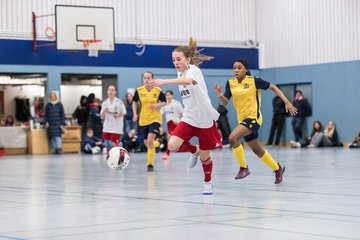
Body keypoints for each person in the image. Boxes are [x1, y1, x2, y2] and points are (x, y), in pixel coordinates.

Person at [149, 37, 222, 195]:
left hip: (205, 119)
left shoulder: (193, 69)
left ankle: (207, 182)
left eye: (179, 59)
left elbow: (188, 81)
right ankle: (194, 150)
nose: (176, 62)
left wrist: (163, 82)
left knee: (205, 157)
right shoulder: (179, 72)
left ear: (187, 59)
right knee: (172, 145)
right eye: (173, 59)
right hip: (189, 117)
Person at [214, 58, 297, 184]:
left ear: (245, 70)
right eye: (234, 67)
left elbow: (273, 87)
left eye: (239, 67)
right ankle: (278, 168)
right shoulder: (230, 83)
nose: (236, 70)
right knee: (257, 150)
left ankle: (243, 168)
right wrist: (220, 95)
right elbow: (225, 102)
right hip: (242, 120)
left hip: (254, 118)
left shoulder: (254, 81)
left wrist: (287, 102)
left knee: (232, 138)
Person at [133, 72, 167, 172]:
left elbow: (164, 102)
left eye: (148, 78)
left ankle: (150, 164)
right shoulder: (139, 91)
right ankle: (159, 143)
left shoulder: (157, 90)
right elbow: (134, 102)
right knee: (147, 144)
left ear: (152, 79)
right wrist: (135, 114)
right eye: (145, 78)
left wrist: (156, 105)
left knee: (150, 141)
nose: (147, 79)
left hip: (155, 119)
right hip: (143, 120)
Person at [100, 85, 127, 152]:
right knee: (107, 144)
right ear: (107, 92)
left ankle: (118, 153)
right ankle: (110, 158)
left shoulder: (119, 102)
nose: (110, 91)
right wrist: (103, 112)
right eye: (109, 90)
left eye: (112, 90)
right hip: (107, 127)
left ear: (115, 92)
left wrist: (118, 115)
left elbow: (124, 113)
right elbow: (101, 117)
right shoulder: (105, 103)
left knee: (113, 144)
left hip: (116, 127)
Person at [160, 90, 183, 160]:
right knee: (170, 138)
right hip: (169, 124)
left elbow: (181, 113)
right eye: (166, 95)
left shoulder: (176, 103)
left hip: (176, 124)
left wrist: (179, 120)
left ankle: (167, 153)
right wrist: (160, 126)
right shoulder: (164, 104)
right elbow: (160, 115)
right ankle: (168, 153)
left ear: (172, 95)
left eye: (169, 95)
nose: (168, 96)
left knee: (170, 138)